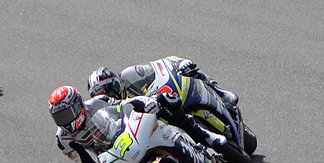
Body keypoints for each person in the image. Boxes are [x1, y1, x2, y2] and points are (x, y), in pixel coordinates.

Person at [49, 84, 227, 163]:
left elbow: (125, 103)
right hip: (111, 156)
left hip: (127, 133)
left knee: (166, 106)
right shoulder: (62, 139)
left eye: (67, 114)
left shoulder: (98, 102)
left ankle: (203, 137)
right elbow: (84, 162)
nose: (65, 121)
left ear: (78, 105)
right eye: (59, 118)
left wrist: (145, 103)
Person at [87, 57, 238, 108]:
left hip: (165, 95)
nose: (111, 94)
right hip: (155, 121)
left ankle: (219, 92)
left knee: (190, 72)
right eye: (104, 94)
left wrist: (180, 63)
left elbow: (159, 65)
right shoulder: (111, 111)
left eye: (110, 88)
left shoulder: (129, 75)